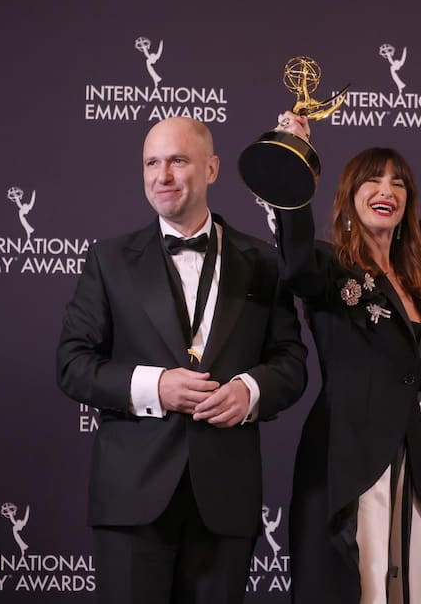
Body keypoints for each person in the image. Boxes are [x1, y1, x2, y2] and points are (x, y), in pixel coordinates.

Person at [55, 116, 308, 604]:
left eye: (177, 161)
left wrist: (249, 391)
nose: (162, 176)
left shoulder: (262, 261)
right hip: (131, 500)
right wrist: (155, 387)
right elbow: (71, 362)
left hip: (226, 501)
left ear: (211, 169)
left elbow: (290, 361)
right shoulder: (108, 260)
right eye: (152, 162)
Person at [273, 113, 421, 603]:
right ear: (349, 193)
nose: (387, 189)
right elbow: (294, 261)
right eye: (373, 179)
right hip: (344, 455)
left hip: (406, 459)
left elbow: (420, 372)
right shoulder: (327, 264)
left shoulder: (418, 288)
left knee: (411, 586)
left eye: (398, 183)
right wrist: (294, 157)